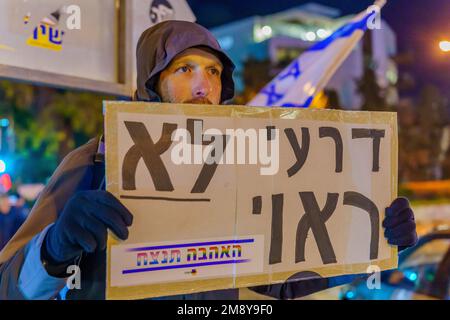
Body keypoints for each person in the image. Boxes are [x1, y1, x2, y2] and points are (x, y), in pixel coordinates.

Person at [0, 21, 418, 300]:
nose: (203, 86)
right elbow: (9, 286)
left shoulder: (244, 167)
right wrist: (53, 247)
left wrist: (374, 244)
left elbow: (281, 283)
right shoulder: (94, 161)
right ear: (151, 83)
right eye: (184, 68)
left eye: (214, 72)